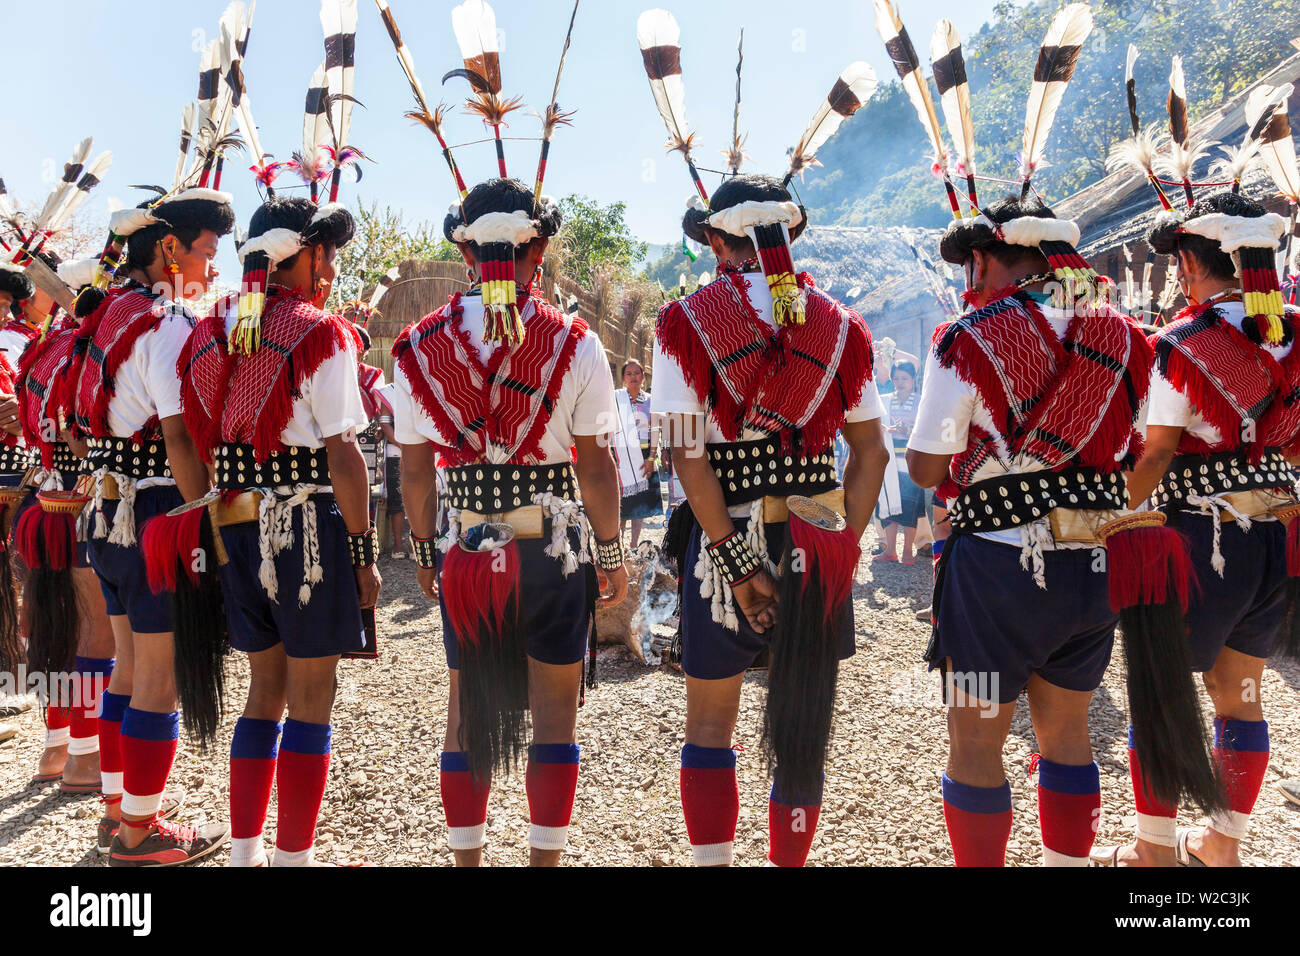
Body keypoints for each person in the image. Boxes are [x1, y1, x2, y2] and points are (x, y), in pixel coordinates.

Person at [392, 175, 628, 866]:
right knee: (555, 715)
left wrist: (424, 551)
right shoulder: (576, 342)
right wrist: (611, 556)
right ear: (540, 248)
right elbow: (596, 466)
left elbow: (412, 472)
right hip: (551, 551)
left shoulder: (415, 348)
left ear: (465, 248)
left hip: (467, 547)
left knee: (465, 713)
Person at [1093, 189, 1300, 867]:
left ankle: (1155, 852)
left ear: (1188, 260)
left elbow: (1155, 453)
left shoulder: (1180, 343)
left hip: (1196, 543)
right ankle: (1222, 845)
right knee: (1241, 696)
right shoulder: (1291, 330)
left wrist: (1107, 519)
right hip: (1272, 539)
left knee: (1159, 691)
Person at [174, 196, 379, 867]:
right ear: (311, 254)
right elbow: (344, 455)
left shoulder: (207, 334)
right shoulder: (322, 333)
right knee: (312, 698)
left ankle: (245, 852)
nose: (334, 268)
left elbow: (194, 439)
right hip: (306, 530)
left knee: (265, 690)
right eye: (332, 254)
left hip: (232, 522)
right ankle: (291, 857)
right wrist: (365, 551)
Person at [69, 185, 235, 866]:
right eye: (205, 250)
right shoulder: (166, 326)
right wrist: (208, 524)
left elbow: (77, 431)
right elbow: (180, 441)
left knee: (128, 668)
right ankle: (140, 836)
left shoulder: (105, 317)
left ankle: (119, 812)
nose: (211, 267)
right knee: (158, 676)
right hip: (157, 517)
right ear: (168, 248)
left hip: (105, 512)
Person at [12, 256, 116, 803]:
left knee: (56, 629)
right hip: (80, 505)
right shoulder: (85, 351)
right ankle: (84, 755)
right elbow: (84, 433)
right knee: (94, 637)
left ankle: (56, 747)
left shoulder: (41, 350)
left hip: (43, 502)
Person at [874, 360, 924, 564]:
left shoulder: (921, 402)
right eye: (896, 378)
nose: (899, 382)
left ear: (913, 379)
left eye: (904, 378)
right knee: (888, 503)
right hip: (888, 460)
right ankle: (891, 550)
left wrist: (909, 431)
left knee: (910, 505)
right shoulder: (885, 400)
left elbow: (927, 430)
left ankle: (907, 552)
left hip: (910, 459)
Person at [613, 358, 661, 549]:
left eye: (636, 373)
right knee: (621, 503)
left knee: (639, 504)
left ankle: (633, 546)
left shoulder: (651, 402)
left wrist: (651, 458)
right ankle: (619, 545)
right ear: (623, 378)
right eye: (629, 373)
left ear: (643, 376)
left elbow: (655, 430)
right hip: (620, 457)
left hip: (643, 456)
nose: (633, 377)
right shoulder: (616, 400)